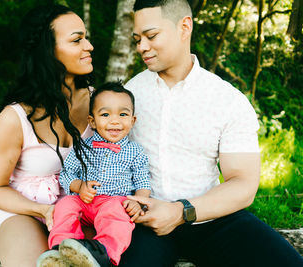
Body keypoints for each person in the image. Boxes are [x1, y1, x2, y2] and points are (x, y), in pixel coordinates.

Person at [118, 0, 303, 266]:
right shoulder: (129, 94)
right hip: (144, 221)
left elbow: (243, 184)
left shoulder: (227, 99)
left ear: (184, 27)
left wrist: (181, 211)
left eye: (151, 36)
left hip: (210, 217)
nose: (141, 47)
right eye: (137, 39)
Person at [0, 4, 95, 266]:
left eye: (86, 37)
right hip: (26, 214)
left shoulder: (98, 103)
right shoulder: (14, 118)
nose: (89, 46)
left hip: (83, 212)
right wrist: (44, 211)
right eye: (77, 40)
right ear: (48, 51)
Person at [37, 82, 151, 267]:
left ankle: (102, 253)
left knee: (117, 214)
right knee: (65, 205)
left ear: (132, 120)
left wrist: (137, 202)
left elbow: (142, 181)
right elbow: (66, 174)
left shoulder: (135, 152)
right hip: (84, 200)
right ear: (92, 121)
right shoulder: (82, 147)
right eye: (105, 114)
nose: (114, 121)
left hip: (114, 201)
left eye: (123, 114)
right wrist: (79, 186)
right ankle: (61, 248)